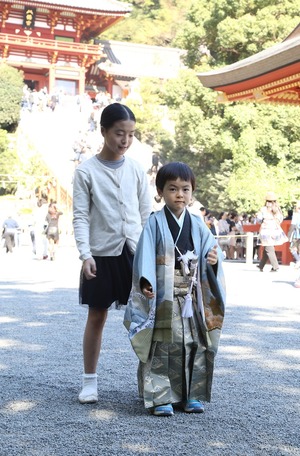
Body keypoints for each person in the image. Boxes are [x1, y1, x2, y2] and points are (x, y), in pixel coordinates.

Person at [124, 162, 226, 417]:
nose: (179, 194)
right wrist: (146, 282)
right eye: (172, 189)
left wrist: (213, 260)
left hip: (191, 295)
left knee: (193, 342)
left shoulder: (198, 224)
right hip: (164, 296)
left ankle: (191, 394)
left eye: (185, 189)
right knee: (163, 343)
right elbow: (144, 256)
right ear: (160, 191)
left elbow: (212, 252)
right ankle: (160, 396)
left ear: (192, 192)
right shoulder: (155, 223)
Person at [73, 102, 152, 404]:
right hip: (101, 256)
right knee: (97, 316)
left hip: (135, 252)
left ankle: (152, 382)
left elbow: (146, 212)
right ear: (103, 131)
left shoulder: (135, 168)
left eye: (131, 135)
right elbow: (80, 215)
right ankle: (89, 382)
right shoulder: (86, 171)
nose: (125, 141)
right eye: (119, 133)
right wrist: (85, 254)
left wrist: (150, 250)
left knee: (146, 317)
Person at [256, 191, 288, 272]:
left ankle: (275, 266)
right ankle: (261, 265)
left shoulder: (263, 209)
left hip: (266, 230)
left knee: (268, 248)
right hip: (275, 230)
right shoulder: (277, 209)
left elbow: (259, 220)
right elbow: (280, 219)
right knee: (268, 247)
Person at [288, 201, 300, 270]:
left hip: (297, 235)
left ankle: (298, 260)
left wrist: (289, 235)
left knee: (292, 249)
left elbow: (292, 225)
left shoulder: (296, 215)